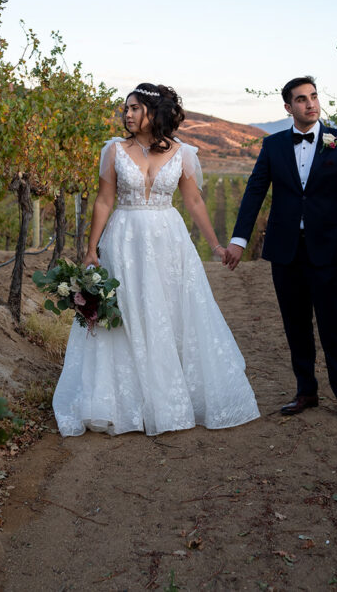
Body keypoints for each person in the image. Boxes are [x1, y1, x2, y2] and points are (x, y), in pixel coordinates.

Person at [52, 83, 261, 437]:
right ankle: (123, 401)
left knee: (169, 312)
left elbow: (194, 202)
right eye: (125, 109)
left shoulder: (183, 153)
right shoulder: (114, 151)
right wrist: (91, 249)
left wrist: (215, 245)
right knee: (126, 313)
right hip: (124, 238)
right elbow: (104, 201)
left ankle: (170, 397)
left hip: (168, 240)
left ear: (154, 111)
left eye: (134, 108)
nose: (127, 115)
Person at [224, 76, 337, 425]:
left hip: (329, 251)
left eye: (314, 97)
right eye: (301, 99)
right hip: (286, 251)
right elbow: (255, 192)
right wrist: (239, 240)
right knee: (295, 324)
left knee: (334, 324)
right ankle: (306, 391)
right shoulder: (272, 146)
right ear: (288, 107)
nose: (310, 104)